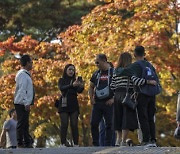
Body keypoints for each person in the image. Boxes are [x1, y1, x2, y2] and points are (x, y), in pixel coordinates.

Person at [115, 46, 160, 146]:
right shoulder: (150, 65)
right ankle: (153, 140)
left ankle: (146, 140)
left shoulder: (135, 65)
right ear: (144, 54)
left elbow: (119, 72)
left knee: (143, 117)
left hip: (142, 94)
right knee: (150, 117)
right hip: (152, 94)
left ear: (134, 55)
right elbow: (156, 79)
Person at [89, 54, 114, 146]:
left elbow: (120, 88)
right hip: (97, 102)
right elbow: (91, 87)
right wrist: (91, 98)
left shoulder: (113, 73)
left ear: (104, 61)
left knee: (109, 124)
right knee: (93, 123)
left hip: (109, 103)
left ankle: (108, 144)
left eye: (97, 62)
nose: (96, 64)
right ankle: (95, 144)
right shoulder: (96, 73)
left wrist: (113, 99)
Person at [58, 64, 84, 147]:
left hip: (73, 103)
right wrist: (71, 85)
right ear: (66, 70)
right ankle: (63, 143)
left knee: (74, 124)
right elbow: (61, 88)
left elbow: (79, 91)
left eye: (73, 70)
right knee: (64, 123)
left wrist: (81, 85)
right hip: (64, 103)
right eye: (69, 69)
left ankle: (76, 144)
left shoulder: (75, 80)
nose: (71, 71)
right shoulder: (61, 80)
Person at [14, 54, 34, 148]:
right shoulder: (22, 75)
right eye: (31, 62)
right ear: (26, 63)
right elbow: (22, 90)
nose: (32, 64)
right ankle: (20, 143)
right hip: (21, 102)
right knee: (22, 122)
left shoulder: (26, 75)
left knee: (25, 123)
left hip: (24, 102)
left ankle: (27, 142)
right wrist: (26, 102)